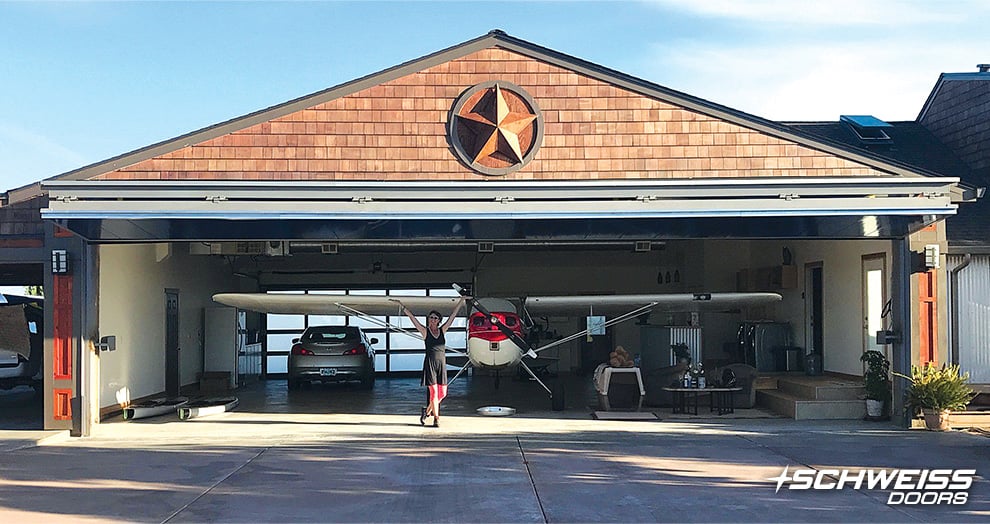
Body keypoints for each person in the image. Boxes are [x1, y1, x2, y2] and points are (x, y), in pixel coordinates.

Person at [399, 296, 466, 427]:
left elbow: (452, 316)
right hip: (430, 363)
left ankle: (427, 411)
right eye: (431, 317)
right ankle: (436, 418)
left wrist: (461, 301)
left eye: (435, 318)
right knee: (434, 393)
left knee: (442, 393)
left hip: (442, 364)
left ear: (439, 321)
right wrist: (402, 307)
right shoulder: (425, 331)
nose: (433, 320)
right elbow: (414, 320)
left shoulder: (442, 330)